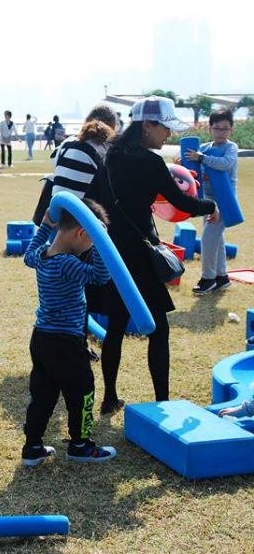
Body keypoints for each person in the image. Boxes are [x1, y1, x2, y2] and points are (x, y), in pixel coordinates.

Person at [99, 96, 218, 413]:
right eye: (165, 127)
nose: (168, 134)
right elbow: (184, 203)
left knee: (116, 326)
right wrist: (211, 206)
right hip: (139, 251)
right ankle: (163, 403)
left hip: (114, 251)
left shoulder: (113, 155)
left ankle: (109, 397)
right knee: (159, 329)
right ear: (147, 125)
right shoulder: (150, 162)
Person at [22, 200, 116, 466]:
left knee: (42, 394)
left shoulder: (40, 255)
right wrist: (101, 241)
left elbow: (27, 253)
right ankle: (80, 445)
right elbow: (100, 276)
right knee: (82, 391)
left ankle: (32, 447)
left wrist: (44, 227)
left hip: (41, 337)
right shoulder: (67, 263)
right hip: (67, 341)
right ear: (81, 233)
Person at [185, 109, 238, 295]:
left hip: (224, 201)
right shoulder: (205, 148)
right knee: (216, 239)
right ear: (210, 128)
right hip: (206, 202)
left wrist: (201, 158)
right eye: (217, 128)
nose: (221, 132)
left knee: (208, 239)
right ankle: (222, 277)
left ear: (231, 129)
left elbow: (225, 164)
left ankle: (208, 279)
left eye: (225, 129)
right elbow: (193, 169)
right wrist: (184, 163)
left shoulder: (231, 148)